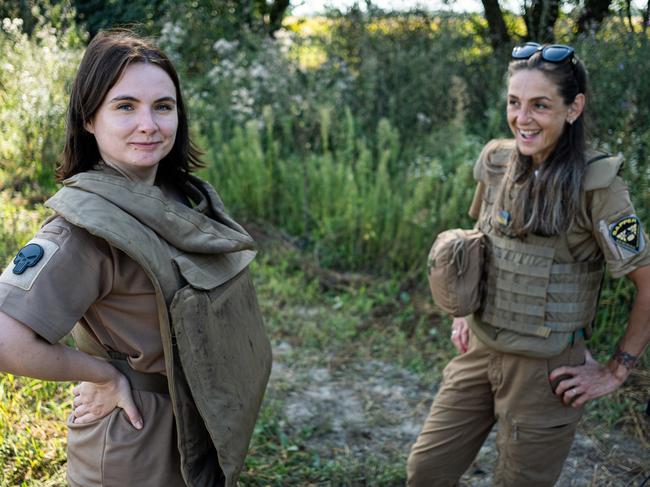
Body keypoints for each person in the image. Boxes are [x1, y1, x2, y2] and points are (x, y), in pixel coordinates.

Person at [0, 30, 272, 487]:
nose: (149, 124)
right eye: (125, 106)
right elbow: (5, 338)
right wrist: (102, 375)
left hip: (194, 420)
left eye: (162, 106)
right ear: (89, 118)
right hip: (135, 438)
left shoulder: (173, 196)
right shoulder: (82, 231)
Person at [407, 42, 650, 486]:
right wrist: (465, 311)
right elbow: (484, 241)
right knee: (425, 471)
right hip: (479, 352)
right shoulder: (496, 161)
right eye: (514, 103)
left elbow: (648, 282)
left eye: (541, 105)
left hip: (546, 371)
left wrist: (616, 370)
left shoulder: (599, 186)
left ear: (574, 108)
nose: (522, 118)